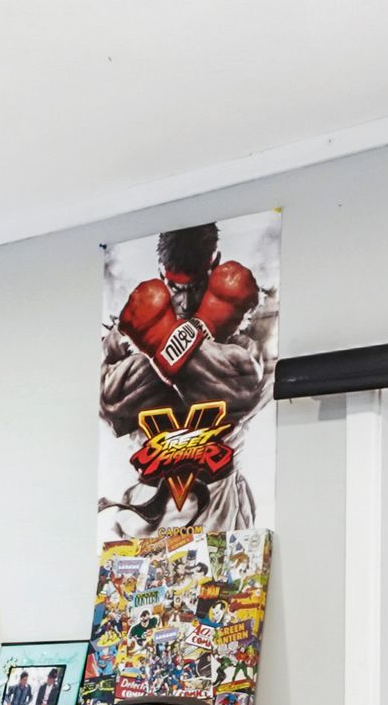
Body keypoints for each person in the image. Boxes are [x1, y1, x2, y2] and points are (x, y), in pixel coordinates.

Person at [100, 220, 275, 537]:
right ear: (161, 272)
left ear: (215, 264)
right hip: (146, 504)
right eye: (175, 288)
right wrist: (181, 341)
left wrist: (165, 342)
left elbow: (247, 392)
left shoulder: (252, 315)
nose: (185, 302)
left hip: (219, 500)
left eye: (196, 287)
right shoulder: (131, 324)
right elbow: (110, 406)